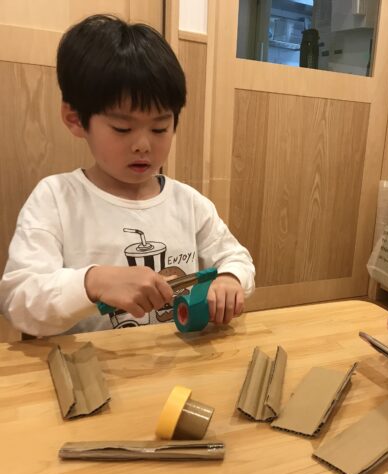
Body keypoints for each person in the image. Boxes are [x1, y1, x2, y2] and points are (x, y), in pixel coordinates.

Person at [0, 15, 255, 336]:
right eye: (122, 128)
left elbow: (236, 258)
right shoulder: (55, 199)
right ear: (75, 119)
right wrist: (92, 282)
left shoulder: (189, 203)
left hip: (174, 358)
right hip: (88, 361)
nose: (143, 145)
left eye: (160, 128)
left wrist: (230, 279)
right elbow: (19, 301)